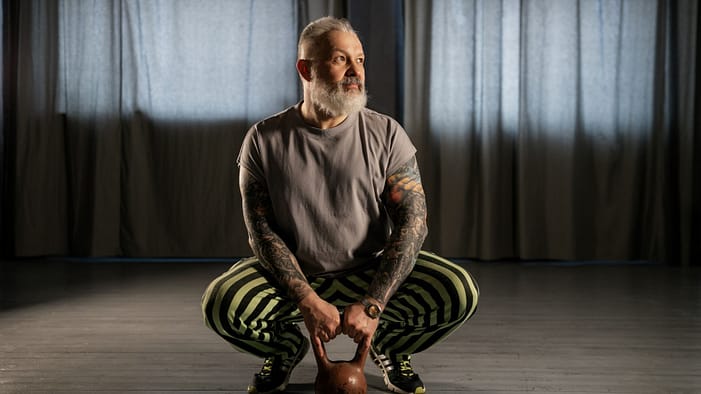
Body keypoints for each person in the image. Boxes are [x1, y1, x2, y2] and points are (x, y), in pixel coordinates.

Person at [201, 16, 479, 394]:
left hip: (370, 271)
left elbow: (413, 224)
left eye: (360, 60)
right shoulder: (263, 139)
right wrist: (307, 299)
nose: (355, 71)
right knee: (220, 302)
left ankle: (391, 348)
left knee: (459, 290)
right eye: (340, 59)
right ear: (305, 68)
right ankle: (285, 350)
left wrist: (373, 305)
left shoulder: (386, 133)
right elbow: (261, 232)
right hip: (295, 275)